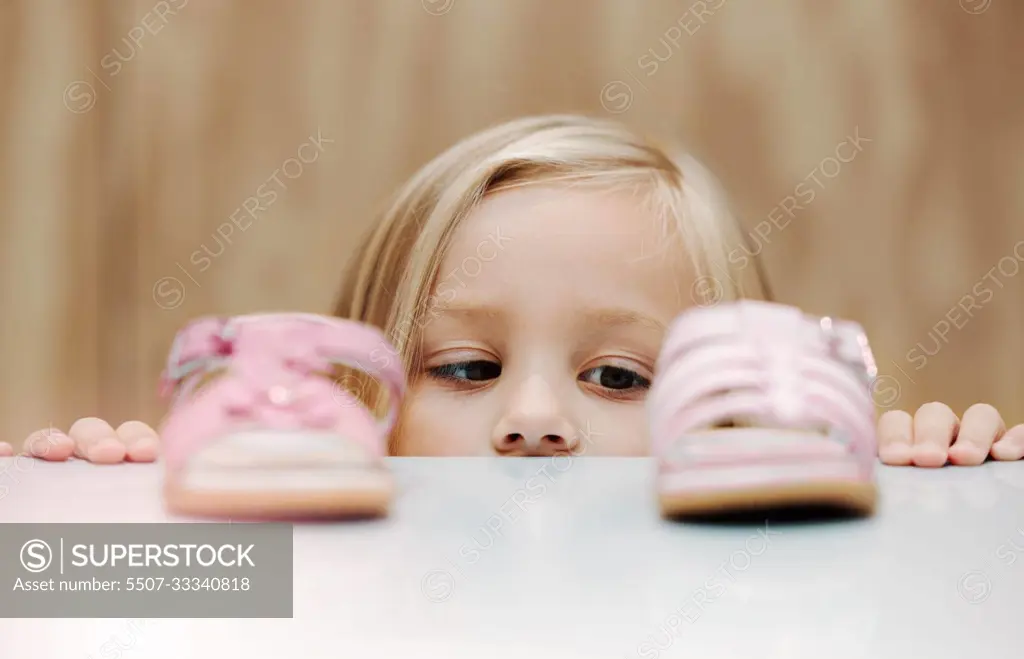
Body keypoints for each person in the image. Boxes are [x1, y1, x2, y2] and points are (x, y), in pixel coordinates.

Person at [3, 115, 1021, 464]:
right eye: (467, 367)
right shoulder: (320, 568)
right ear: (358, 406)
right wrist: (139, 527)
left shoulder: (778, 564)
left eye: (618, 376)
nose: (534, 422)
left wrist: (936, 502)